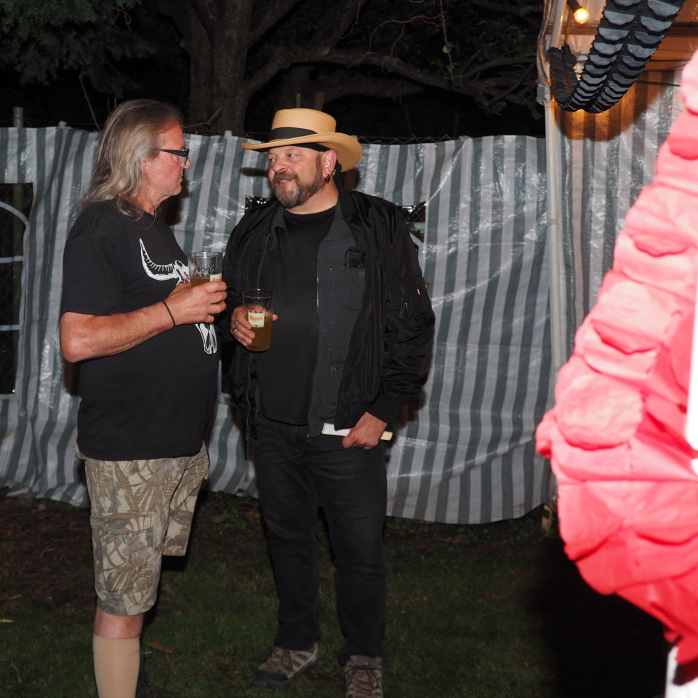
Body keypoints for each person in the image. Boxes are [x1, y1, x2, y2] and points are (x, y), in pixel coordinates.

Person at [223, 108, 435, 698]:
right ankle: (297, 639)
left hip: (348, 424)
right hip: (271, 421)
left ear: (328, 162)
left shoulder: (377, 225)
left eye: (292, 155)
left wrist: (383, 409)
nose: (278, 167)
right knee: (286, 537)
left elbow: (412, 322)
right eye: (272, 158)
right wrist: (232, 316)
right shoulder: (253, 229)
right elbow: (230, 302)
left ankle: (364, 655)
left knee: (359, 550)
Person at [59, 99, 227, 698]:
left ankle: (130, 683)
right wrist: (174, 310)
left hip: (172, 446)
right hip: (132, 449)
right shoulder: (100, 227)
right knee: (123, 601)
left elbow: (160, 317)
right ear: (140, 157)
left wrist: (204, 314)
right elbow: (78, 339)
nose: (187, 163)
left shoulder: (153, 228)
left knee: (137, 588)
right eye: (179, 152)